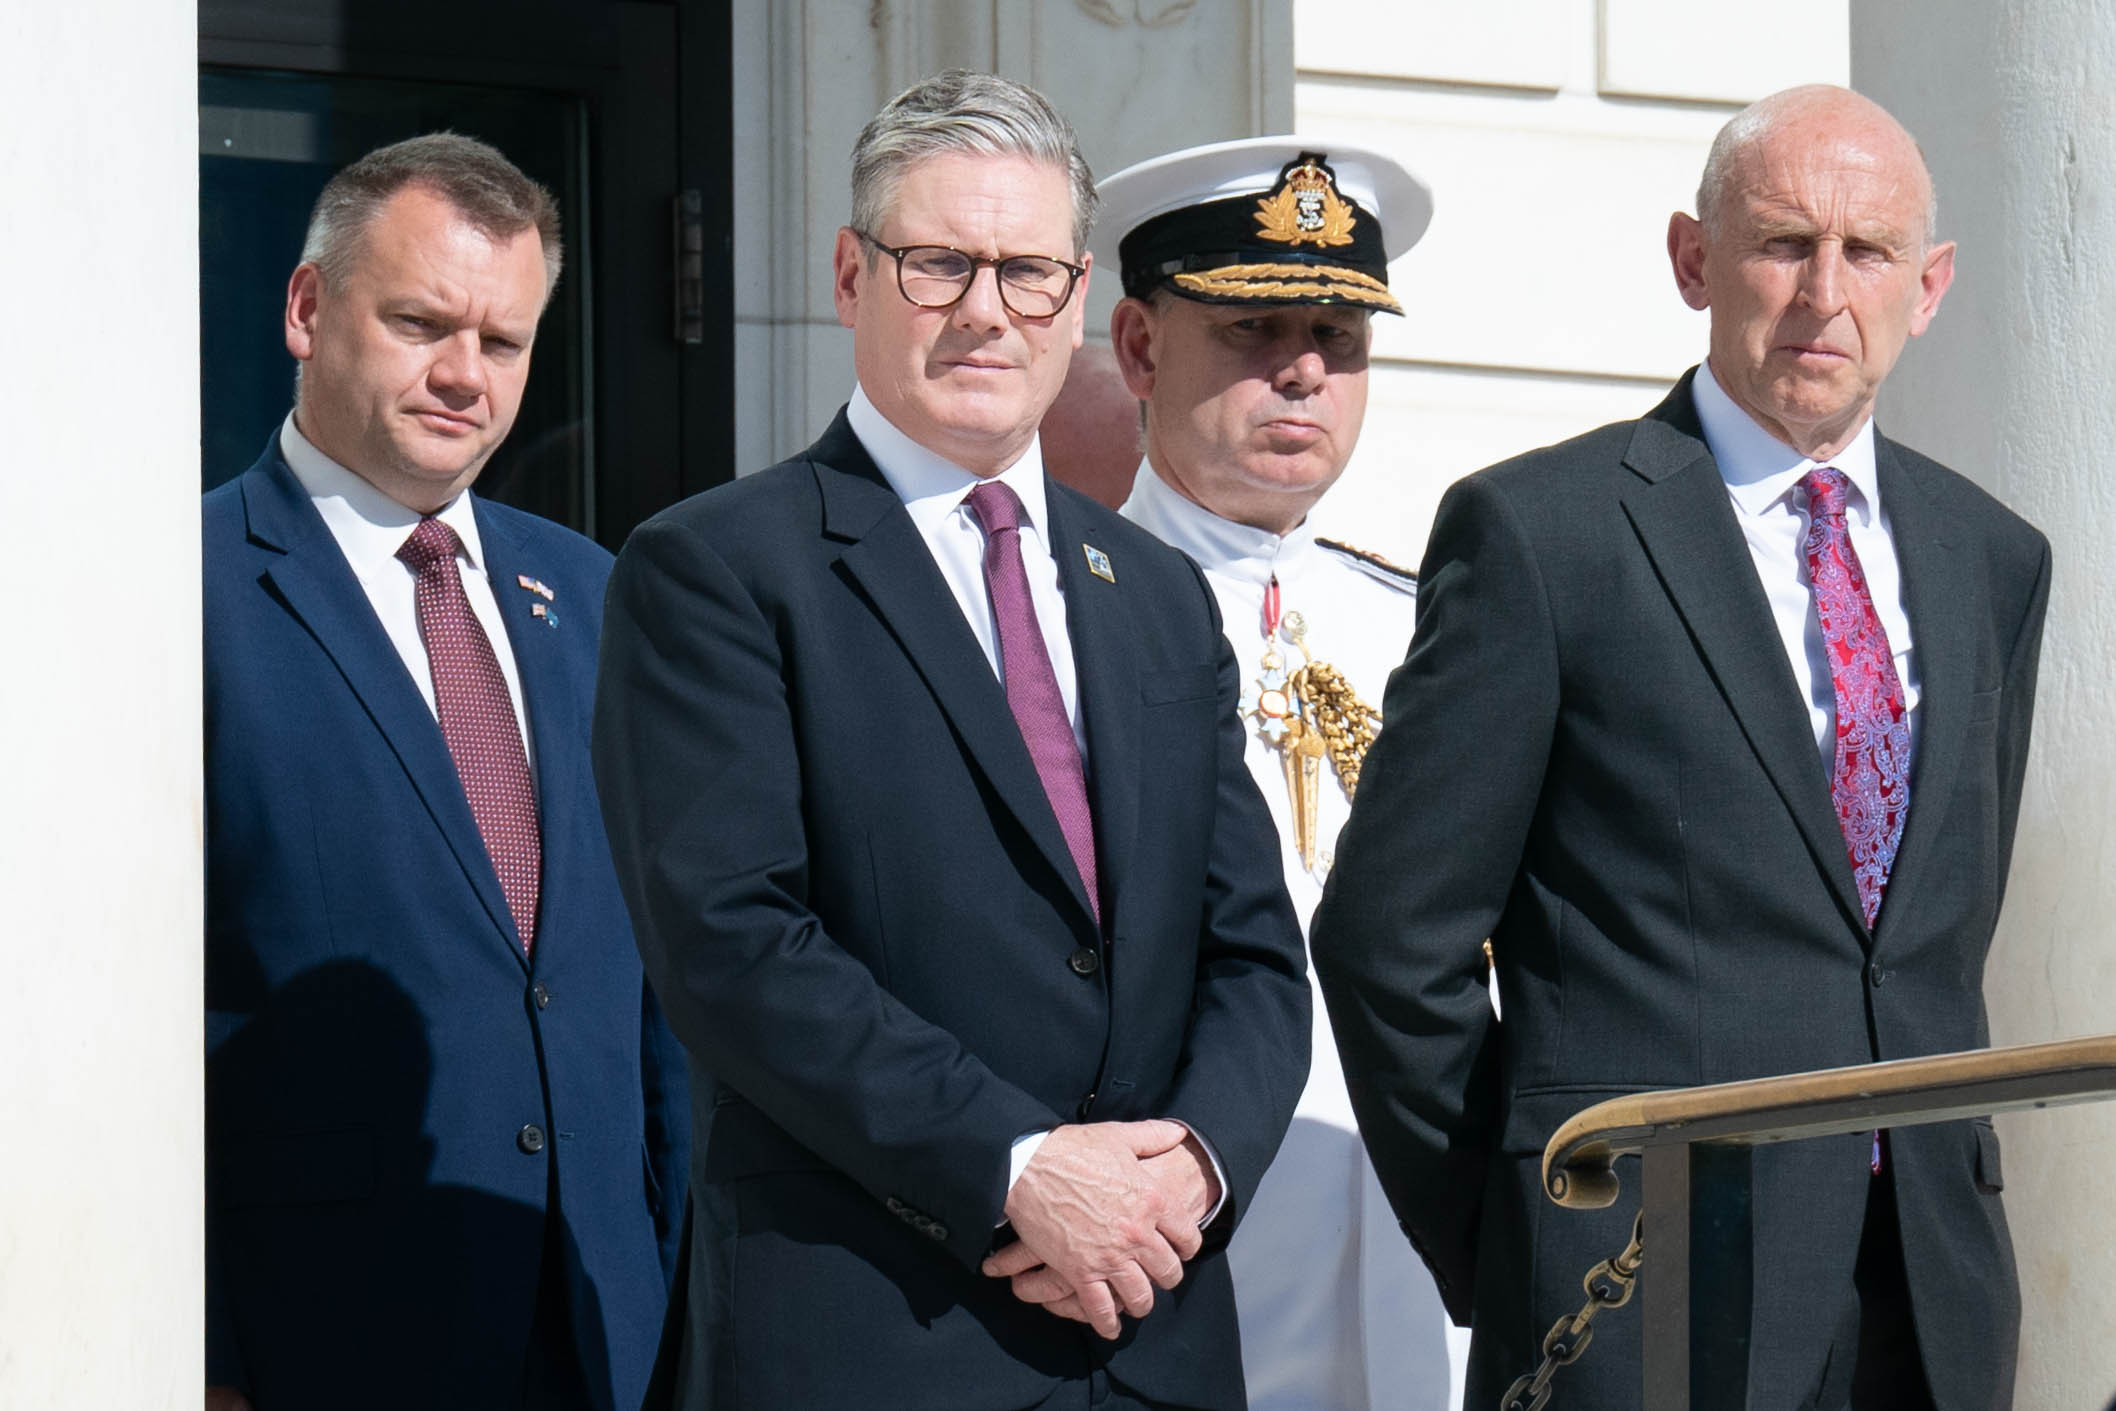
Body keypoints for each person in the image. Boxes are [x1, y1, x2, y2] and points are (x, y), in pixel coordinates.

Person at [1311, 84, 2049, 1411]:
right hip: (1647, 1290)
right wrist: (1524, 1228)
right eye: (1783, 243)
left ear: (1928, 286)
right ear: (1692, 259)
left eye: (1869, 251)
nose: (1826, 291)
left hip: (1932, 1291)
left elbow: (1936, 927)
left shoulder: (1989, 555)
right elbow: (1389, 935)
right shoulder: (1545, 535)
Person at [591, 70, 1311, 1411]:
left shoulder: (1153, 593)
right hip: (877, 1338)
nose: (987, 308)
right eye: (941, 264)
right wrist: (1019, 1164)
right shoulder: (715, 570)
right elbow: (733, 942)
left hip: (1154, 1341)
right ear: (852, 274)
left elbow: (1256, 953)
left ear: (1080, 294)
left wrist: (1191, 1170)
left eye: (1028, 270)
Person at [203, 133, 688, 1411]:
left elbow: (657, 1004)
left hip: (605, 1330)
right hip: (319, 1344)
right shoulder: (173, 591)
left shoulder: (595, 595)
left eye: (505, 340)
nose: (465, 377)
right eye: (422, 322)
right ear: (308, 309)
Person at [1092, 137, 1458, 1411]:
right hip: (1177, 1222)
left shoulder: (1433, 622)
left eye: (1339, 338)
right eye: (1254, 329)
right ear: (1140, 348)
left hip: (1416, 1217)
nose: (1303, 369)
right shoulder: (1052, 612)